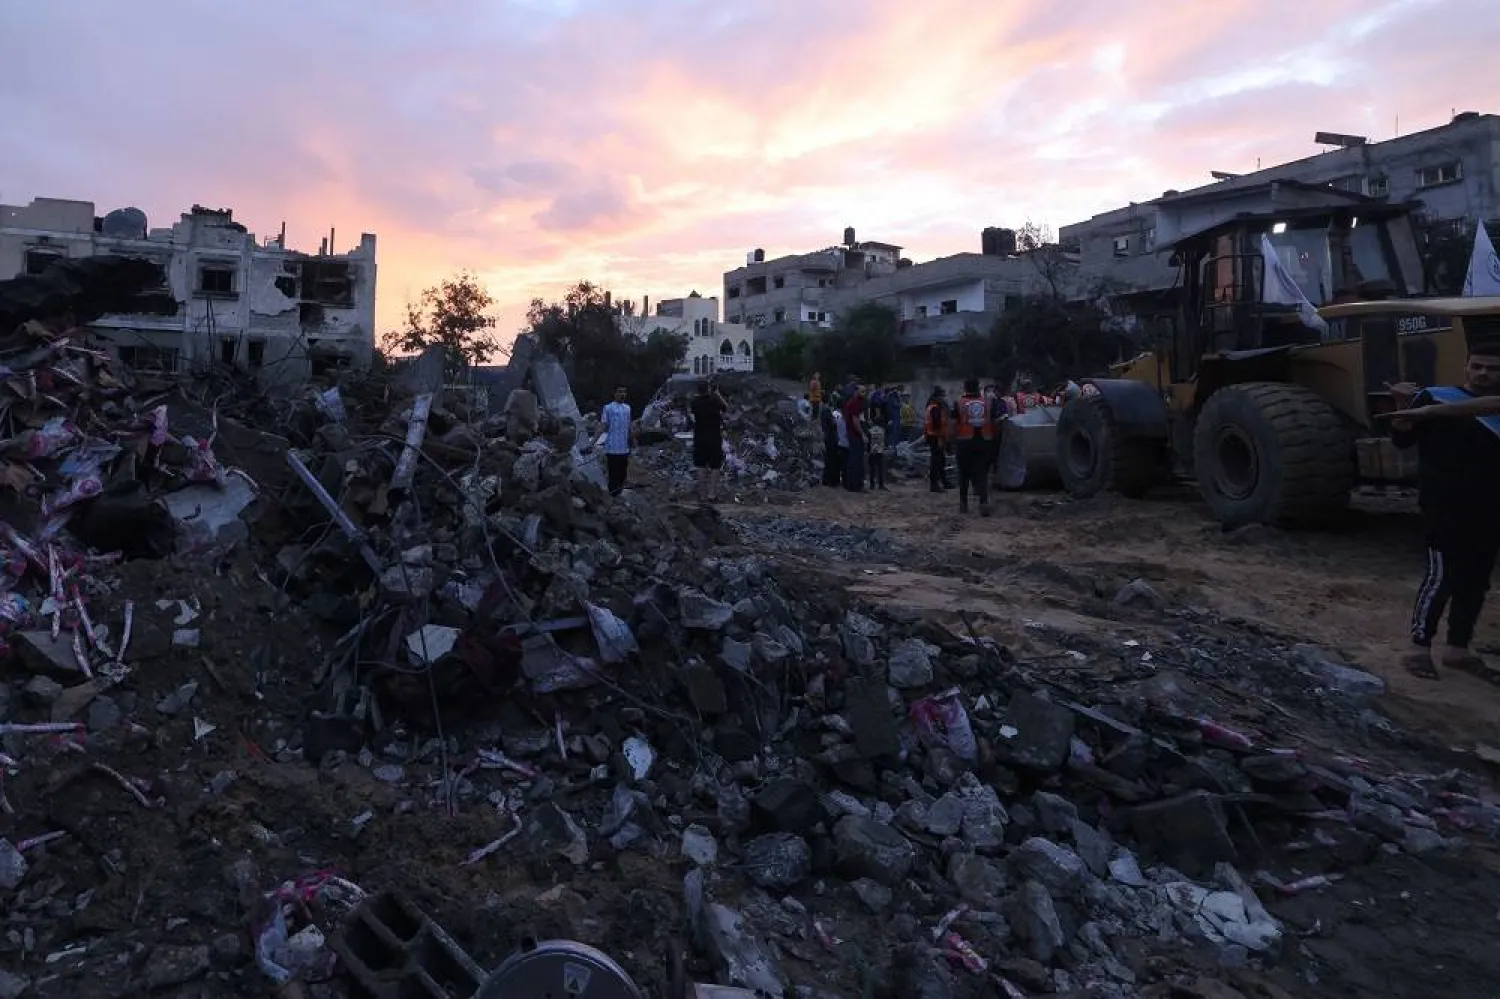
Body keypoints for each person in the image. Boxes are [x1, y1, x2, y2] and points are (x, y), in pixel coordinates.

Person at [1387, 339, 1500, 681]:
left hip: (1491, 509)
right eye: (1477, 366)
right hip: (1444, 505)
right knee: (1441, 578)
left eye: (1493, 369)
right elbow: (1403, 441)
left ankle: (1457, 650)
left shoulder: (1485, 406)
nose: (1483, 373)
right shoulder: (1434, 395)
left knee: (1476, 582)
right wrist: (1403, 412)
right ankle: (1419, 649)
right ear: (1465, 366)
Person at [950, 377, 996, 516]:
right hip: (983, 441)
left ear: (965, 388)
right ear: (977, 388)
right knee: (982, 474)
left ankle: (963, 504)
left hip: (964, 442)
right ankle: (984, 503)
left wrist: (951, 441)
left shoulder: (959, 402)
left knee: (963, 474)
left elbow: (952, 424)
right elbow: (992, 422)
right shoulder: (987, 402)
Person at [689, 378, 729, 502]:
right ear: (708, 389)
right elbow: (726, 408)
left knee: (700, 466)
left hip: (699, 438)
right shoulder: (715, 400)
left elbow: (691, 415)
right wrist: (717, 394)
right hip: (714, 438)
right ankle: (712, 495)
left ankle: (702, 496)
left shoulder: (694, 402)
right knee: (715, 466)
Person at [600, 384, 635, 496]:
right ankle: (612, 497)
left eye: (624, 392)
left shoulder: (628, 408)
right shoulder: (608, 408)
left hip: (624, 448)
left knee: (622, 475)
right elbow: (603, 425)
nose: (622, 394)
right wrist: (592, 443)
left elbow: (629, 425)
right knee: (613, 475)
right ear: (614, 394)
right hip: (612, 448)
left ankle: (618, 496)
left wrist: (632, 439)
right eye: (619, 392)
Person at [924, 387, 950, 492]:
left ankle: (944, 481)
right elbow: (937, 424)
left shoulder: (932, 406)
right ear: (938, 396)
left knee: (941, 460)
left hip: (933, 436)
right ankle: (934, 484)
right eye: (943, 396)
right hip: (935, 436)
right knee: (936, 461)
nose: (944, 398)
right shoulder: (935, 408)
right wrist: (941, 438)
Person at [842, 384, 867, 492]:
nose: (864, 394)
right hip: (855, 435)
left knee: (853, 460)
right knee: (856, 461)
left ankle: (851, 484)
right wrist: (863, 434)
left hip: (852, 434)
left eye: (865, 392)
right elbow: (855, 421)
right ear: (855, 391)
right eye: (862, 391)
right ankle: (856, 485)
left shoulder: (851, 403)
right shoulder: (854, 403)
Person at [820, 397, 841, 487]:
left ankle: (826, 479)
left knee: (828, 460)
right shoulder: (827, 412)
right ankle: (832, 481)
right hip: (831, 438)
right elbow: (833, 424)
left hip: (827, 437)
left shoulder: (823, 411)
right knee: (832, 460)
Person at [867, 415, 887, 490]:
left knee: (872, 469)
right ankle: (880, 485)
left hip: (872, 451)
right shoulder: (882, 430)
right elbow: (884, 440)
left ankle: (872, 485)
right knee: (880, 469)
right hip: (879, 451)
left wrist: (868, 450)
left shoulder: (870, 430)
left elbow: (868, 442)